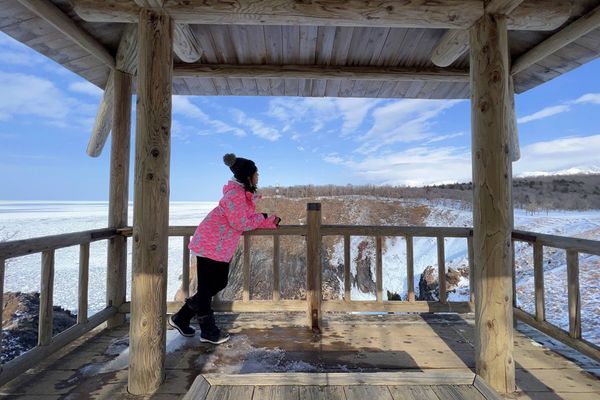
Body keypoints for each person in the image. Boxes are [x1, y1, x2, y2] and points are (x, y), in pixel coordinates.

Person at [169, 153, 280, 344]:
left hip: (217, 245)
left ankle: (181, 317)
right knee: (207, 288)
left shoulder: (241, 195)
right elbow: (241, 223)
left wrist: (267, 220)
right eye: (256, 173)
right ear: (247, 176)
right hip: (209, 244)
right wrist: (263, 218)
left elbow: (243, 220)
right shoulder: (235, 196)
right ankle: (207, 330)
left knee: (218, 283)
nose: (258, 176)